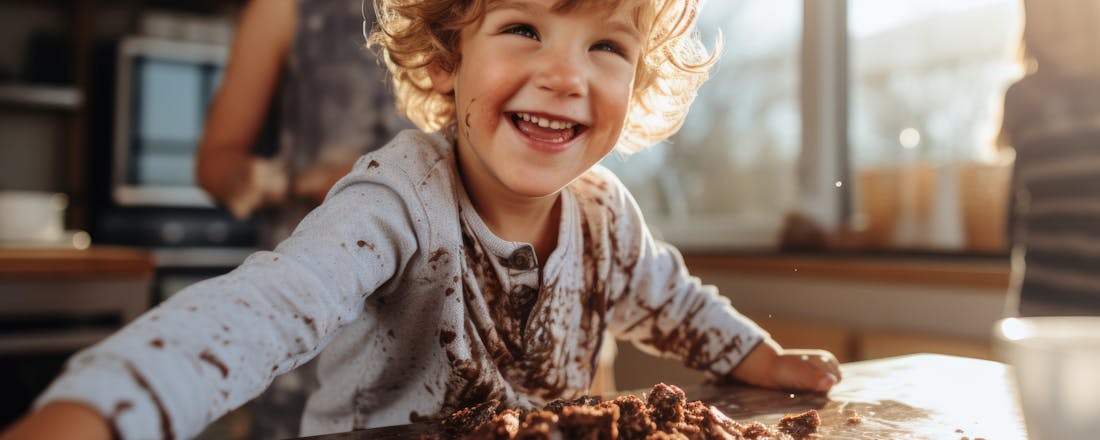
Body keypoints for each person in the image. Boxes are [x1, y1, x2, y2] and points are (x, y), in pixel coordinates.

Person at [0, 0, 842, 438]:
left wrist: (759, 359)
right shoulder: (400, 197)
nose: (564, 74)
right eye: (523, 28)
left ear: (639, 87)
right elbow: (264, 309)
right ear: (446, 65)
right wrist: (104, 409)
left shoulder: (606, 217)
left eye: (606, 47)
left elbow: (677, 307)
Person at [193, 1, 413, 438]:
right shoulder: (283, 9)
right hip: (310, 313)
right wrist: (286, 181)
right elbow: (213, 163)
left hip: (432, 313)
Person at [999, 0, 1100, 317]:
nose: (1058, 20)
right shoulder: (1022, 98)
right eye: (1045, 9)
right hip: (1042, 305)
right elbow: (1015, 206)